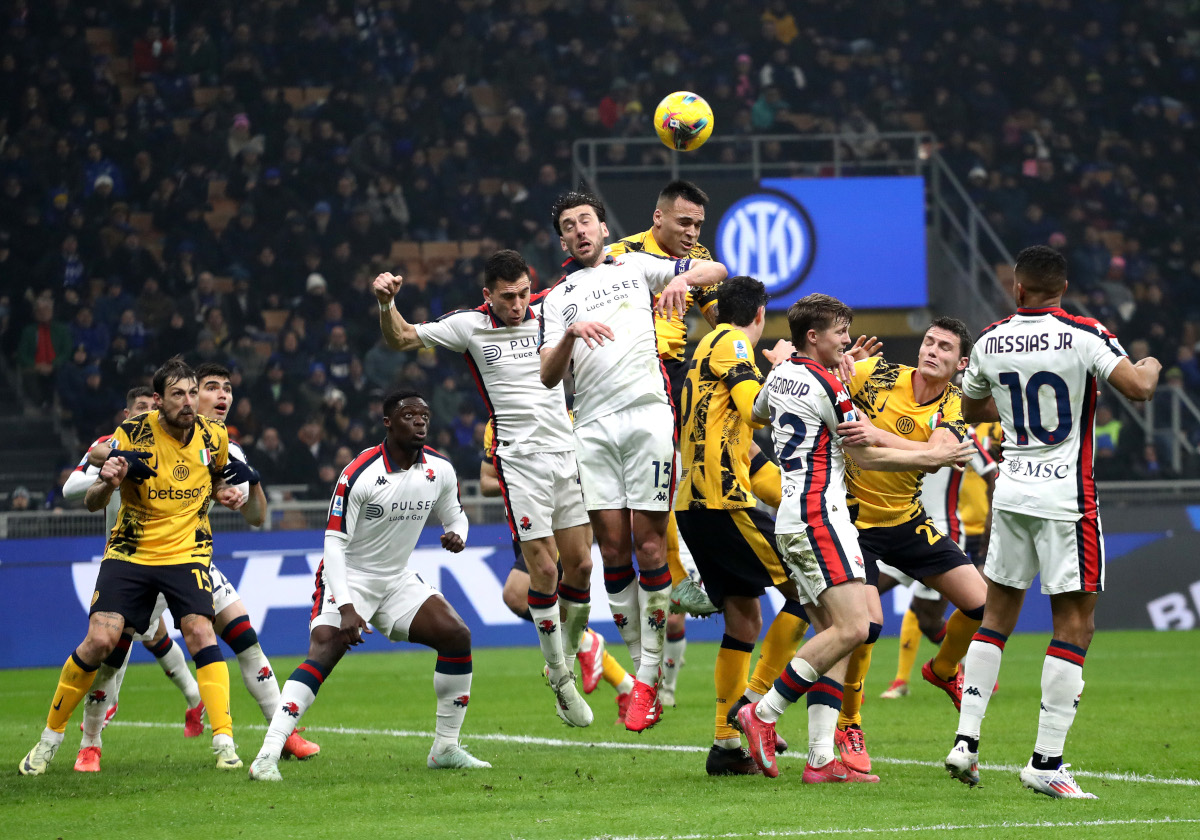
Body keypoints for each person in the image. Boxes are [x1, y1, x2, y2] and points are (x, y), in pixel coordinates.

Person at [946, 245, 1160, 798]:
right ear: (1062, 288)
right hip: (1067, 499)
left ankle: (966, 742)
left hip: (1011, 492)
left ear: (1018, 289)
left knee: (996, 615)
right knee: (1075, 626)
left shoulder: (991, 338)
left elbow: (971, 410)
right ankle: (1046, 761)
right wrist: (1151, 364)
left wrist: (1019, 412)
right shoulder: (1085, 332)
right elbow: (1136, 388)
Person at [736, 294, 971, 781]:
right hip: (823, 516)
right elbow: (866, 457)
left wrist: (784, 367)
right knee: (855, 629)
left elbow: (758, 412)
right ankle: (760, 711)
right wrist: (931, 458)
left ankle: (821, 759)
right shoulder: (833, 387)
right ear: (815, 338)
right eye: (841, 333)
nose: (848, 343)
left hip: (796, 516)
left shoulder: (782, 376)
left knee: (834, 635)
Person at [372, 250, 594, 727]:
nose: (517, 305)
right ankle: (560, 677)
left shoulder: (550, 313)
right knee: (545, 569)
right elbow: (403, 338)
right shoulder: (470, 325)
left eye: (522, 294)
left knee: (582, 565)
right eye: (507, 297)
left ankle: (567, 659)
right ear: (488, 294)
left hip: (567, 454)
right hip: (519, 461)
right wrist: (387, 304)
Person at [538, 190, 726, 731]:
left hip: (646, 416)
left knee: (648, 543)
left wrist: (682, 280)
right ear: (563, 240)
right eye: (569, 226)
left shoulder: (638, 266)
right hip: (592, 426)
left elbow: (718, 265)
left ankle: (645, 682)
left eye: (586, 221)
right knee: (613, 549)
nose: (579, 231)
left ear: (603, 226)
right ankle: (644, 664)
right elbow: (550, 377)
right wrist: (571, 335)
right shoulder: (556, 300)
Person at [19, 358, 247, 775]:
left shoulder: (214, 435)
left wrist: (225, 492)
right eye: (178, 394)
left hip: (187, 553)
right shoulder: (132, 435)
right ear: (158, 401)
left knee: (199, 629)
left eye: (193, 393)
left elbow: (213, 477)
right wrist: (107, 479)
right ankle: (49, 740)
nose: (188, 402)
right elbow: (91, 502)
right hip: (130, 552)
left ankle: (224, 740)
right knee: (101, 643)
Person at [249, 392, 487, 781]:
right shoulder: (359, 472)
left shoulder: (440, 470)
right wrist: (345, 606)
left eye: (424, 415)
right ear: (388, 423)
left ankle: (445, 747)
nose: (420, 422)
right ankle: (267, 756)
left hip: (395, 577)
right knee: (326, 649)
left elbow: (456, 517)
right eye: (409, 415)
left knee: (457, 635)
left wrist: (457, 535)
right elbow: (334, 544)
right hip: (349, 574)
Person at [817, 318, 989, 775]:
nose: (932, 350)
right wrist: (840, 368)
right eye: (929, 341)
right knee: (867, 625)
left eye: (945, 347)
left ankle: (945, 668)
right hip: (852, 521)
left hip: (905, 519)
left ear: (961, 363)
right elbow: (817, 377)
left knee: (981, 605)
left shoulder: (954, 404)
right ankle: (849, 724)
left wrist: (875, 433)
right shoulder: (876, 371)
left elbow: (937, 458)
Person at [672, 276, 812, 776]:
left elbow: (747, 447)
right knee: (809, 594)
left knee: (744, 618)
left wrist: (796, 493)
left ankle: (726, 747)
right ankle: (753, 706)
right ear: (759, 315)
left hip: (694, 504)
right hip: (723, 501)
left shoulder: (702, 351)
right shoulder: (732, 341)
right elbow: (759, 406)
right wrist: (783, 370)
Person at [607, 179, 723, 704]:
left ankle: (690, 568)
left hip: (672, 372)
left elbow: (725, 314)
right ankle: (680, 575)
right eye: (684, 223)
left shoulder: (695, 260)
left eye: (698, 225)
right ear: (658, 219)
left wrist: (691, 281)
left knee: (693, 461)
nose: (692, 233)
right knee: (632, 517)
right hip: (623, 373)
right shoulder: (621, 255)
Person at [480, 418, 638, 723]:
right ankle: (621, 681)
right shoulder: (498, 421)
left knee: (520, 592)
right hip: (526, 512)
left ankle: (590, 647)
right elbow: (486, 480)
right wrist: (517, 481)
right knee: (527, 599)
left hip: (563, 518)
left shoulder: (569, 417)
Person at [881, 425, 997, 700]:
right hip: (899, 527)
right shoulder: (903, 417)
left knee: (928, 618)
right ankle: (850, 700)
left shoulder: (961, 432)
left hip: (940, 533)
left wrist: (992, 518)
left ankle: (968, 666)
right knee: (864, 596)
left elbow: (991, 472)